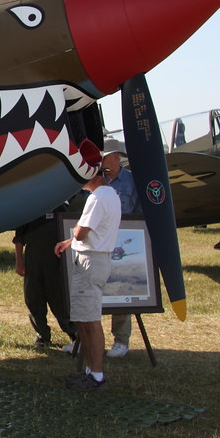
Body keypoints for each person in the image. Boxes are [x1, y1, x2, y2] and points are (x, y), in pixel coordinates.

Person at [54, 149, 121, 390]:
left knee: (90, 322)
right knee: (85, 319)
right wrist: (70, 241)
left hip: (90, 263)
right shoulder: (110, 195)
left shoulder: (97, 198)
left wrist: (73, 233)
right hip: (97, 259)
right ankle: (91, 371)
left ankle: (96, 375)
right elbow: (95, 231)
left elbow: (82, 232)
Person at [12, 202, 77, 349]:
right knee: (33, 298)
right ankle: (42, 335)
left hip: (56, 261)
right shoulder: (31, 208)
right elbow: (19, 238)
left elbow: (70, 232)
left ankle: (73, 333)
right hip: (33, 258)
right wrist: (19, 262)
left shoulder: (61, 208)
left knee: (59, 299)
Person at [102, 141, 141, 359]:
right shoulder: (95, 179)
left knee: (120, 289)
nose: (101, 161)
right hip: (98, 242)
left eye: (106, 157)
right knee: (92, 290)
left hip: (122, 242)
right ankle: (84, 338)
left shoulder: (131, 180)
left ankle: (121, 341)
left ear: (116, 157)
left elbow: (139, 211)